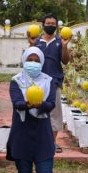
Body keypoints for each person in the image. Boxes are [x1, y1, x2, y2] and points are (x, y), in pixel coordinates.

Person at [6, 46, 57, 173]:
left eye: (37, 60)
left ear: (42, 62)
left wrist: (38, 104)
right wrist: (29, 104)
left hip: (43, 134)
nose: (33, 63)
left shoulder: (49, 81)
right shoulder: (16, 81)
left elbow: (50, 103)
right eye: (30, 59)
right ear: (24, 60)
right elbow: (17, 103)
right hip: (22, 134)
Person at [28, 13, 70, 153]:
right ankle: (37, 141)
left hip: (54, 81)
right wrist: (31, 45)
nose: (50, 26)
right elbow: (29, 60)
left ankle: (51, 143)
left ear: (57, 26)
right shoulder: (37, 41)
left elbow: (65, 61)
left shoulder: (59, 41)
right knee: (35, 110)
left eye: (53, 24)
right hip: (37, 82)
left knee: (54, 114)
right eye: (48, 23)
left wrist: (64, 47)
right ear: (43, 25)